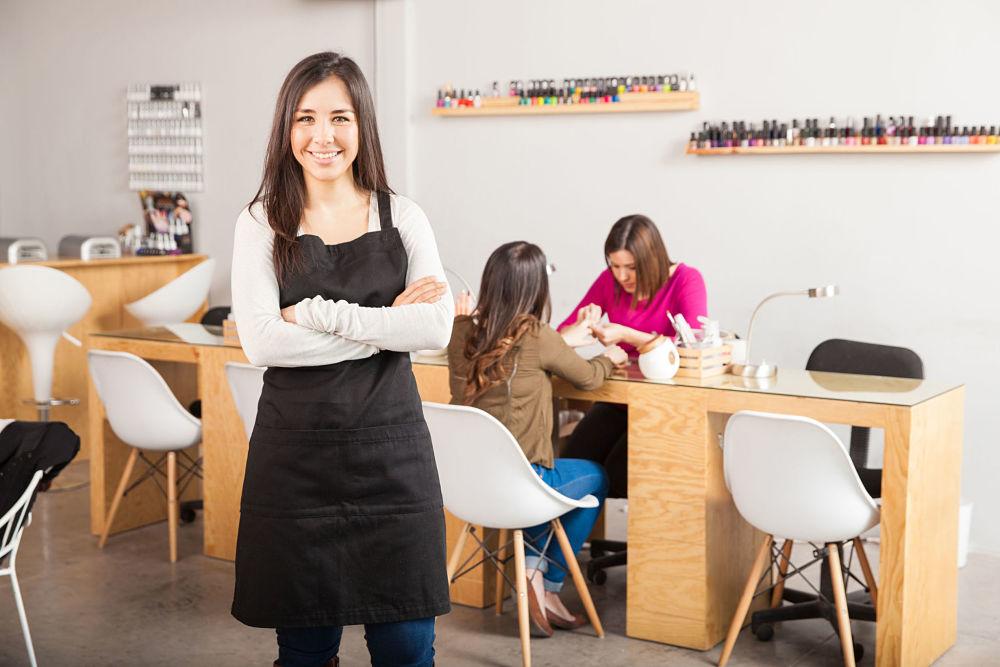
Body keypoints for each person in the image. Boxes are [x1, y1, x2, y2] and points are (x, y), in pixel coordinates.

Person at [230, 51, 453, 667]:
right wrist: (388, 326)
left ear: (363, 127)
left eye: (339, 117)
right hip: (296, 458)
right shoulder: (260, 224)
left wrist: (318, 313)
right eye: (306, 118)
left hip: (392, 455)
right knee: (305, 648)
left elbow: (433, 326)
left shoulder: (403, 216)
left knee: (407, 647)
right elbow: (263, 343)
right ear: (286, 129)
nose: (322, 136)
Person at [447, 241, 627, 637]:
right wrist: (609, 359)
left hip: (469, 487)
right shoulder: (537, 335)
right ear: (536, 289)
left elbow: (515, 352)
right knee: (595, 477)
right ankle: (542, 580)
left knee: (547, 481)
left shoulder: (461, 335)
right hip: (524, 487)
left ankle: (538, 577)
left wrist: (566, 341)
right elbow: (590, 378)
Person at [558, 214, 707, 498]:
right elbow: (559, 335)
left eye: (631, 267)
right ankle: (561, 542)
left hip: (664, 406)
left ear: (652, 260)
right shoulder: (608, 282)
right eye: (614, 266)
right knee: (572, 464)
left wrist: (627, 335)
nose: (622, 276)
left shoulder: (686, 280)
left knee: (616, 475)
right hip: (618, 399)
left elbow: (692, 347)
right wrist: (580, 325)